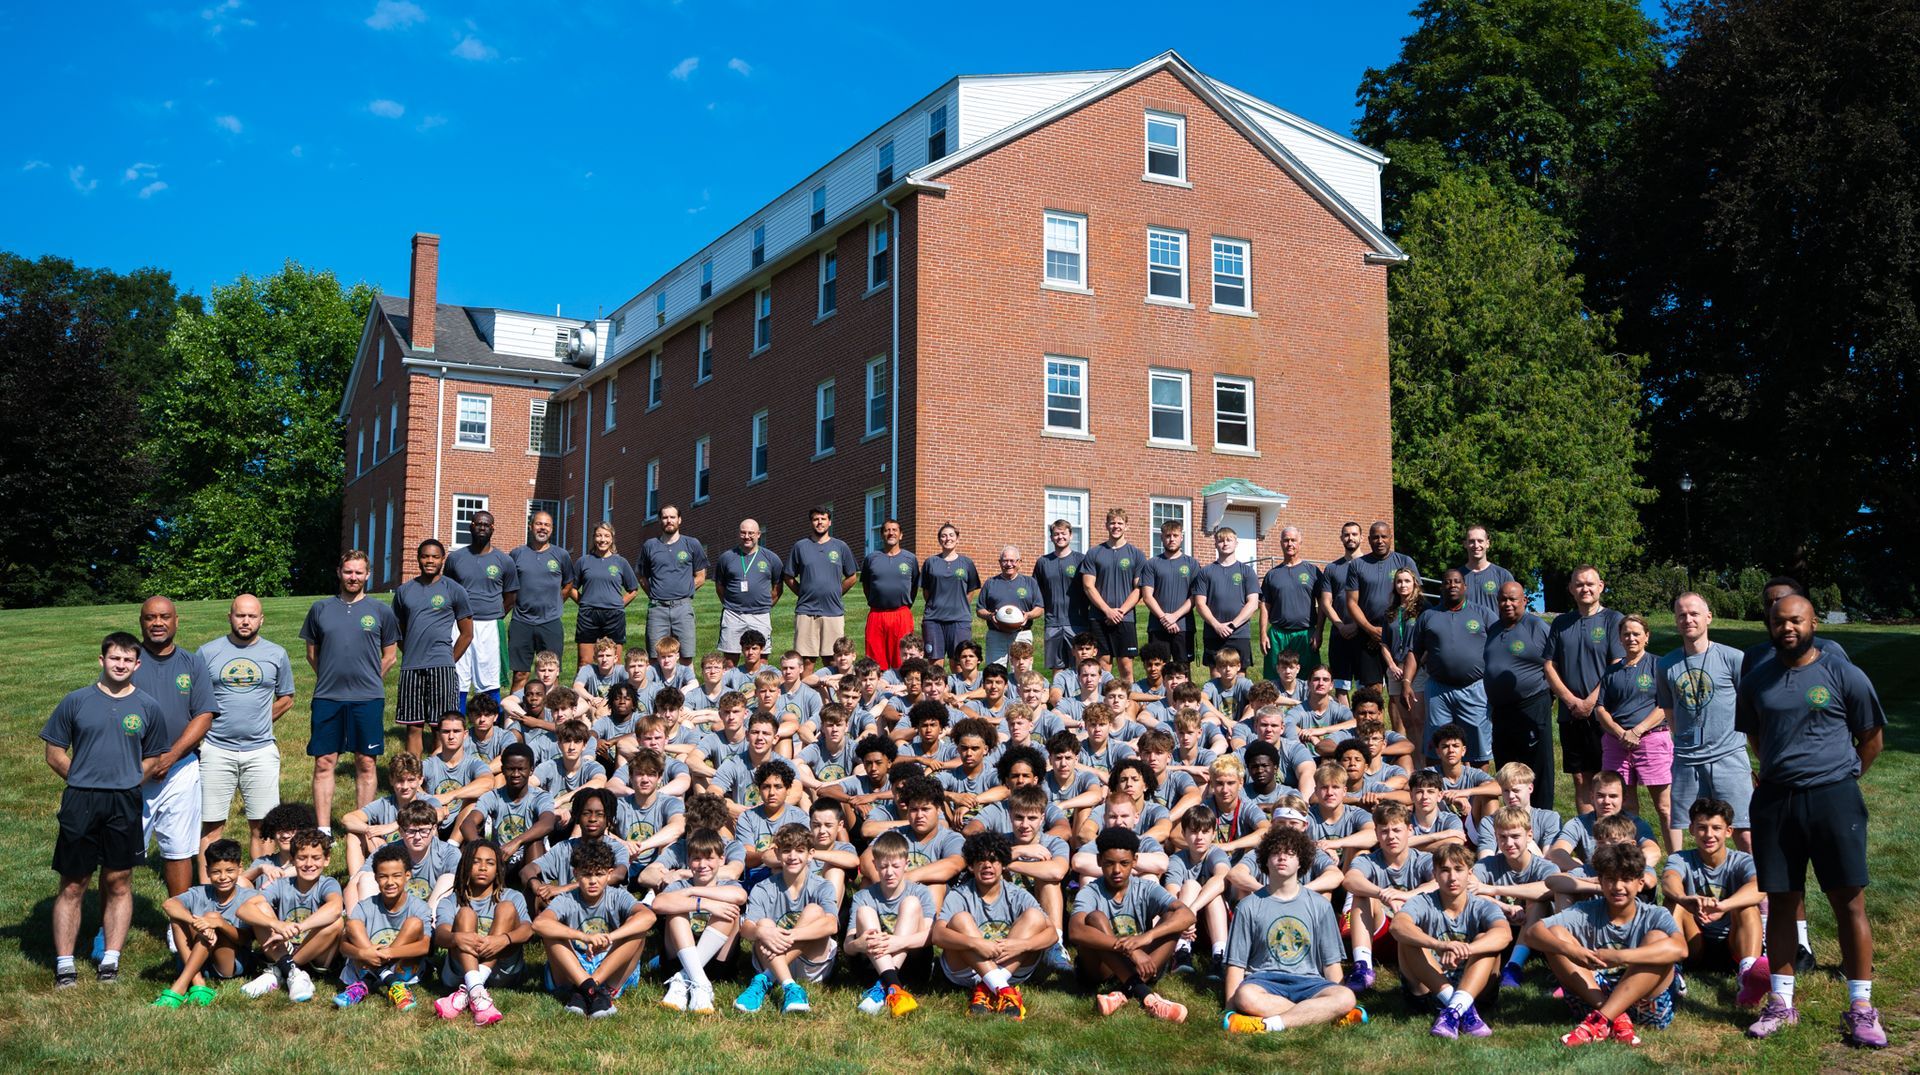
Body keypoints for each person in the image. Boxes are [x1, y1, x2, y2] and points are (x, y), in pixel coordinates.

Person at [1738, 595, 1887, 1047]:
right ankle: (1781, 1004)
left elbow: (1872, 737)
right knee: (1782, 901)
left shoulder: (1842, 673)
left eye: (1796, 620)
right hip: (1775, 801)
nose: (1787, 628)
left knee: (1848, 900)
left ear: (1813, 622)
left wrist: (1842, 777)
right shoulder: (1757, 679)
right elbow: (1757, 737)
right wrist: (1783, 771)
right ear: (1769, 625)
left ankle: (1861, 1007)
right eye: (1778, 621)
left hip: (1833, 799)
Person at [44, 633, 170, 988]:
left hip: (123, 802)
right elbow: (54, 753)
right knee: (73, 883)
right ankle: (65, 963)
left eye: (127, 660)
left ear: (137, 665)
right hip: (81, 800)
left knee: (119, 879)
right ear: (102, 660)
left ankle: (111, 959)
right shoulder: (76, 701)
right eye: (115, 658)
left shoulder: (147, 706)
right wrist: (82, 779)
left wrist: (127, 780)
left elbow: (154, 756)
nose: (120, 665)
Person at [1526, 842, 1687, 1047]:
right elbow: (1533, 933)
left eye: (1626, 879)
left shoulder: (1655, 915)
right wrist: (1572, 951)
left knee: (1658, 940)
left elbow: (1681, 950)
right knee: (1555, 934)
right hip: (1594, 996)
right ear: (1600, 882)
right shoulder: (1585, 911)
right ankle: (1613, 1017)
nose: (1618, 886)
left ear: (1640, 883)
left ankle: (1598, 1021)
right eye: (1611, 879)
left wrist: (1620, 957)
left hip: (1644, 1004)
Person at [1221, 824, 1369, 1034]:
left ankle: (1268, 1024)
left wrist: (1339, 994)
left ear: (1301, 861)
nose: (1282, 857)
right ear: (1265, 860)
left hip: (1310, 983)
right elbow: (1236, 964)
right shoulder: (1248, 906)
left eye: (1290, 853)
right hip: (1264, 983)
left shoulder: (1321, 906)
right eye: (1276, 852)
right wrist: (1231, 1009)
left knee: (1346, 997)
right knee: (1245, 996)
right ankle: (1324, 1015)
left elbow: (1331, 963)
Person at [123, 596, 216, 915]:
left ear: (177, 620)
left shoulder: (192, 663)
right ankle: (107, 928)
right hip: (132, 772)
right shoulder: (128, 662)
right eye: (150, 617)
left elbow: (204, 715)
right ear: (141, 622)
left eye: (164, 617)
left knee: (178, 851)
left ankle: (179, 926)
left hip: (180, 770)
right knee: (120, 855)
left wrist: (170, 757)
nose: (157, 623)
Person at [302, 551, 399, 820]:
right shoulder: (320, 609)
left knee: (366, 762)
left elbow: (390, 656)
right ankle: (324, 829)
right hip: (327, 697)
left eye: (358, 572)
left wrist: (369, 679)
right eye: (348, 571)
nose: (353, 577)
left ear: (367, 575)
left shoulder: (381, 611)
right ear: (339, 573)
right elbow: (311, 654)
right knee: (324, 762)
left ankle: (360, 825)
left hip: (368, 699)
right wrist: (330, 677)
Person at [197, 594, 296, 860]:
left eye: (252, 616)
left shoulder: (276, 653)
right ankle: (207, 884)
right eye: (240, 615)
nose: (245, 621)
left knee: (263, 828)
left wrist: (261, 719)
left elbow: (287, 698)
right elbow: (194, 700)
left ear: (261, 620)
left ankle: (260, 882)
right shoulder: (207, 652)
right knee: (211, 826)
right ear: (230, 617)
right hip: (216, 749)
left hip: (260, 750)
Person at [1070, 826, 1196, 1021]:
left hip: (1142, 964)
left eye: (1124, 863)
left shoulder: (1146, 888)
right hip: (1102, 968)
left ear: (1135, 861)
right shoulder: (1090, 892)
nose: (1117, 870)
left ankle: (1121, 993)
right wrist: (1129, 950)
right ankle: (1145, 995)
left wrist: (1147, 937)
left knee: (1173, 918)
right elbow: (1075, 931)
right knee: (1095, 918)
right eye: (1109, 863)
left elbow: (1187, 915)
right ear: (1099, 861)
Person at [1659, 592, 1750, 853]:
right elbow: (1669, 711)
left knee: (1744, 831)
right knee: (1686, 828)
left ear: (1708, 617)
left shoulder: (1733, 658)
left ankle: (1756, 880)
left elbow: (1749, 706)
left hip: (1728, 756)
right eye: (1682, 615)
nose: (1688, 619)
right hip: (1687, 759)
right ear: (1676, 621)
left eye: (1694, 614)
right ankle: (1682, 876)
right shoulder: (1666, 665)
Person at [1391, 841, 1510, 1038]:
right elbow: (1397, 926)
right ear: (1435, 875)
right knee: (1408, 938)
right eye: (1445, 870)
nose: (1452, 877)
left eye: (1458, 869)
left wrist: (1467, 949)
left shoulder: (1482, 905)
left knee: (1486, 940)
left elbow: (1504, 934)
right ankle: (1462, 1010)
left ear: (1470, 873)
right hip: (1429, 990)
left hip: (1476, 991)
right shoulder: (1423, 901)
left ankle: (1454, 1010)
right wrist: (1440, 945)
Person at [933, 831, 1054, 1019]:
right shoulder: (959, 895)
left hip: (1010, 968)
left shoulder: (1017, 894)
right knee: (960, 919)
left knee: (1035, 916)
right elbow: (937, 935)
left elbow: (1052, 934)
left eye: (993, 860)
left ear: (1004, 864)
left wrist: (1024, 945)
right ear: (971, 866)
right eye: (980, 860)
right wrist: (975, 943)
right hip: (969, 970)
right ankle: (1004, 990)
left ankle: (987, 987)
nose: (987, 865)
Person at [1662, 797, 1766, 1007]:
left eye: (1716, 828)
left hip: (1733, 943)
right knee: (1673, 902)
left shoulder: (1742, 860)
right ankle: (1671, 971)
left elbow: (1759, 887)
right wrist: (1685, 899)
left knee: (1747, 906)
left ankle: (1748, 974)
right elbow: (1668, 879)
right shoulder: (1681, 858)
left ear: (1728, 831)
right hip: (1694, 942)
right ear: (1691, 829)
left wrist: (1724, 906)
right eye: (1702, 828)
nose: (1709, 835)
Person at [533, 839, 653, 1018]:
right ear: (576, 874)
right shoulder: (567, 899)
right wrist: (584, 937)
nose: (593, 881)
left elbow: (649, 916)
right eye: (587, 874)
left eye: (599, 874)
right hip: (573, 968)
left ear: (609, 874)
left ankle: (589, 990)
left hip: (610, 967)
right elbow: (539, 924)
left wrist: (610, 937)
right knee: (551, 931)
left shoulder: (618, 895)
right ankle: (592, 990)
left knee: (637, 930)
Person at [736, 823, 841, 1014]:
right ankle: (790, 987)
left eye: (800, 850)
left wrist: (790, 935)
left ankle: (766, 978)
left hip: (809, 964)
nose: (793, 856)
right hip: (772, 957)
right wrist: (761, 932)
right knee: (764, 925)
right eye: (786, 851)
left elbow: (832, 925)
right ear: (777, 854)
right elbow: (746, 929)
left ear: (811, 854)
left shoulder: (822, 886)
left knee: (814, 911)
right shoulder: (763, 888)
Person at [1544, 565, 1624, 815]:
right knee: (1580, 778)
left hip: (1605, 713)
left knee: (1608, 778)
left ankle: (1613, 833)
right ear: (1571, 589)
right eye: (1579, 584)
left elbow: (1617, 664)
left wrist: (1591, 701)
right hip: (1571, 714)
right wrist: (1570, 701)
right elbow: (1549, 665)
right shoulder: (1561, 623)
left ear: (1601, 587)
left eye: (1590, 584)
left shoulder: (1613, 619)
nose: (1585, 589)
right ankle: (1589, 833)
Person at [235, 827, 343, 1003]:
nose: (309, 864)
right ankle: (292, 972)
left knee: (336, 922)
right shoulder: (282, 884)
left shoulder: (327, 883)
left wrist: (298, 928)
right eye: (302, 858)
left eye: (316, 858)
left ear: (327, 859)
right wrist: (277, 925)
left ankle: (283, 970)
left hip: (316, 955)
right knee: (259, 907)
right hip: (284, 948)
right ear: (292, 860)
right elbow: (243, 910)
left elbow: (336, 908)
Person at [432, 839, 530, 1024]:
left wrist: (504, 939)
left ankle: (470, 990)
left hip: (502, 970)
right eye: (476, 862)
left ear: (498, 869)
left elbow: (528, 930)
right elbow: (440, 935)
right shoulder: (450, 900)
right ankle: (477, 990)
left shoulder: (513, 896)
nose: (483, 867)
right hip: (460, 970)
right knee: (465, 913)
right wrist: (457, 938)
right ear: (465, 865)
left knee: (506, 907)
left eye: (490, 863)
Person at [652, 826, 749, 1013]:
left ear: (722, 860)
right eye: (696, 858)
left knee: (730, 911)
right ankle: (700, 984)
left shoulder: (727, 885)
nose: (702, 864)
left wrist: (693, 891)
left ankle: (682, 980)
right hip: (678, 960)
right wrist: (703, 904)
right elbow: (657, 903)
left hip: (717, 964)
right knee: (675, 912)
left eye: (709, 858)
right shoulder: (680, 885)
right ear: (688, 861)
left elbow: (740, 896)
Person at [392, 539, 474, 758]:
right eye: (425, 556)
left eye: (435, 557)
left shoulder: (454, 590)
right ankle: (414, 773)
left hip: (442, 667)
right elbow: (398, 631)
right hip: (411, 668)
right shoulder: (404, 591)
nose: (430, 561)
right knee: (413, 726)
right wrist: (411, 652)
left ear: (442, 559)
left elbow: (467, 633)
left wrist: (448, 659)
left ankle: (437, 773)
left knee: (441, 726)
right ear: (418, 559)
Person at [1594, 614, 1672, 841]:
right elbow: (1600, 708)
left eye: (1636, 634)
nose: (1631, 638)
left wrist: (1637, 731)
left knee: (1664, 807)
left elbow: (1665, 705)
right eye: (1626, 634)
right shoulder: (1611, 670)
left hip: (1652, 741)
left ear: (1647, 636)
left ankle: (1675, 858)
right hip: (1616, 743)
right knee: (1624, 806)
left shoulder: (1659, 665)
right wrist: (1620, 733)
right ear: (1619, 638)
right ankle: (1627, 854)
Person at [1403, 569, 1491, 767]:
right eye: (1448, 582)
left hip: (1474, 689)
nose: (1452, 585)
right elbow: (1414, 652)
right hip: (1438, 690)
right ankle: (1434, 785)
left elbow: (1498, 644)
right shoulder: (1428, 616)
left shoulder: (1483, 613)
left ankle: (1479, 787)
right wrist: (1407, 682)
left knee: (1477, 748)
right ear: (1441, 587)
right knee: (1436, 744)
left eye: (1457, 581)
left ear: (1465, 586)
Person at [151, 838, 252, 1009]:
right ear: (207, 871)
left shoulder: (248, 897)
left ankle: (180, 987)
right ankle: (198, 983)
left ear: (240, 868)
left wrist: (220, 925)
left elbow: (245, 939)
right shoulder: (199, 892)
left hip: (227, 964)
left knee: (212, 919)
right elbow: (169, 904)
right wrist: (197, 923)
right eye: (216, 872)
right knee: (178, 918)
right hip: (198, 960)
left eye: (229, 871)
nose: (223, 877)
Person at [334, 843, 433, 1011]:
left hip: (401, 966)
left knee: (414, 923)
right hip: (367, 962)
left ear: (407, 875)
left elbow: (425, 946)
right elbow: (343, 946)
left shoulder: (419, 907)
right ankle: (391, 981)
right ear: (375, 878)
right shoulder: (365, 906)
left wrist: (390, 953)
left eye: (396, 876)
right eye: (383, 876)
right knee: (352, 924)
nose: (390, 882)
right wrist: (363, 953)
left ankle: (366, 983)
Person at [844, 831, 932, 1018]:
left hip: (912, 964)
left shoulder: (921, 892)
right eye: (883, 866)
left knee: (911, 903)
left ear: (906, 864)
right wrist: (859, 944)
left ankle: (885, 984)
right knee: (864, 911)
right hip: (872, 966)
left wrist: (898, 942)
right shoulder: (863, 896)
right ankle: (893, 986)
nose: (889, 872)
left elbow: (929, 937)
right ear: (875, 865)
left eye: (895, 866)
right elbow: (847, 946)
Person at [1485, 581, 1555, 809]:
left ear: (1524, 600)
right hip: (1501, 711)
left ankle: (1541, 815)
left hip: (1531, 705)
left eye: (1512, 599)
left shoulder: (1537, 627)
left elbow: (1556, 663)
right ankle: (1513, 817)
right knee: (1506, 768)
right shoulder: (1494, 629)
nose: (1507, 604)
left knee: (1536, 767)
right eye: (1503, 599)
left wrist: (1551, 695)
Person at [1474, 804, 1561, 988]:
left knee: (1537, 900)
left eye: (1515, 836)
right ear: (1496, 837)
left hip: (1537, 931)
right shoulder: (1487, 865)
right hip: (1499, 928)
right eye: (1502, 837)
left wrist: (1494, 890)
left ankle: (1513, 966)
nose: (1509, 843)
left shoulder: (1545, 867)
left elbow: (1548, 888)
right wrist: (1505, 906)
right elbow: (1468, 889)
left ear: (1529, 835)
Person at [445, 510, 518, 708]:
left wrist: (494, 614)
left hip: (490, 626)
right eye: (478, 524)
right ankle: (457, 720)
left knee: (489, 680)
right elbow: (447, 590)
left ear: (492, 528)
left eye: (486, 525)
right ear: (471, 526)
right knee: (458, 677)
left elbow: (510, 597)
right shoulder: (455, 558)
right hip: (460, 625)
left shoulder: (504, 561)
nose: (482, 528)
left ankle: (490, 722)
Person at [1344, 521, 1421, 692]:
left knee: (1401, 688)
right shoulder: (1357, 565)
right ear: (1369, 540)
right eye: (1375, 537)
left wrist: (1389, 630)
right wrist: (1370, 630)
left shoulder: (1405, 561)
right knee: (1373, 689)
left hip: (1400, 632)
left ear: (1391, 538)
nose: (1380, 541)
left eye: (1384, 537)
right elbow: (1351, 602)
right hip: (1368, 635)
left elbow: (1417, 596)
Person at [507, 509, 575, 696]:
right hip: (521, 622)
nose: (542, 528)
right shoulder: (517, 554)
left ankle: (552, 711)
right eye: (539, 524)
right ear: (531, 526)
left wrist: (557, 601)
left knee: (551, 674)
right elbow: (508, 586)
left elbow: (569, 583)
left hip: (550, 622)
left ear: (551, 529)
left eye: (547, 525)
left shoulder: (561, 555)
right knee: (520, 674)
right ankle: (515, 712)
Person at [785, 507, 859, 663]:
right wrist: (803, 593)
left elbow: (852, 577)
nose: (820, 522)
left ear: (829, 522)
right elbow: (788, 576)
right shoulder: (800, 546)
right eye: (816, 519)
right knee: (806, 660)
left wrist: (837, 592)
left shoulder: (840, 547)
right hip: (806, 611)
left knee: (833, 659)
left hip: (833, 611)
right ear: (811, 522)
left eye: (823, 519)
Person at [1081, 508, 1145, 684]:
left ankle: (1127, 700)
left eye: (1120, 523)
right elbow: (1088, 586)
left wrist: (1120, 611)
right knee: (1103, 664)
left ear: (1126, 526)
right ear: (1106, 525)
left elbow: (1139, 589)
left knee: (1126, 666)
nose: (1116, 526)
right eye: (1112, 523)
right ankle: (1103, 699)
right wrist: (1107, 611)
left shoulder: (1136, 554)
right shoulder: (1094, 553)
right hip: (1099, 617)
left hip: (1125, 618)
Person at [636, 504, 708, 654]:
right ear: (660, 520)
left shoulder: (692, 544)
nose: (669, 520)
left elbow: (701, 576)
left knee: (686, 656)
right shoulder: (650, 545)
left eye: (672, 517)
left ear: (679, 520)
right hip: (657, 609)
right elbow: (641, 576)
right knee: (655, 656)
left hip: (683, 608)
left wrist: (685, 589)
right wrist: (654, 593)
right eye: (665, 517)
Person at [571, 521, 641, 673]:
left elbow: (633, 590)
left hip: (614, 616)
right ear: (593, 538)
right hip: (588, 616)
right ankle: (584, 689)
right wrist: (584, 603)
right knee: (584, 662)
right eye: (599, 536)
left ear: (612, 538)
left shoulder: (621, 562)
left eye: (606, 536)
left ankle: (614, 689)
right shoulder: (583, 561)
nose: (602, 540)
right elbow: (571, 588)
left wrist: (619, 604)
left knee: (615, 662)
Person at [714, 518, 784, 660]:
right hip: (733, 614)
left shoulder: (771, 558)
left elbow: (778, 587)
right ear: (738, 534)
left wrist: (765, 605)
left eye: (751, 533)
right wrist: (731, 603)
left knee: (761, 659)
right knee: (730, 661)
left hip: (760, 615)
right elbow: (720, 586)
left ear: (759, 534)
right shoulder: (726, 557)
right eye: (743, 533)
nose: (747, 536)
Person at [1259, 526, 1323, 681]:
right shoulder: (1272, 574)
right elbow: (1265, 606)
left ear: (1300, 542)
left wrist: (1319, 631)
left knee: (1309, 679)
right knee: (1275, 679)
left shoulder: (1312, 571)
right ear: (1281, 543)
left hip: (1305, 634)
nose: (1290, 544)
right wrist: (1263, 634)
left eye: (1293, 540)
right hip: (1278, 635)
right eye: (1286, 540)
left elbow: (1323, 604)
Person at [1193, 527, 1260, 672]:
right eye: (1221, 540)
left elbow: (1253, 603)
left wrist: (1232, 625)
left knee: (1240, 677)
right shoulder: (1205, 572)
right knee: (1216, 675)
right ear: (1215, 544)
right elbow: (1199, 604)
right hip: (1213, 633)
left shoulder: (1247, 571)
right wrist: (1217, 626)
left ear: (1236, 543)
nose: (1225, 543)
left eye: (1229, 540)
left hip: (1239, 633)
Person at [1139, 519, 1198, 668]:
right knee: (1157, 669)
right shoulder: (1152, 564)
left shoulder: (1192, 564)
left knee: (1183, 670)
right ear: (1161, 537)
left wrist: (1175, 616)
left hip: (1183, 626)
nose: (1171, 539)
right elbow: (1147, 596)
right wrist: (1164, 618)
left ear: (1181, 537)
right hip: (1157, 626)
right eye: (1168, 536)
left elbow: (1195, 597)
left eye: (1175, 535)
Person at [920, 522, 982, 663]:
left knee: (959, 663)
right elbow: (926, 591)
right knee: (935, 664)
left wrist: (959, 606)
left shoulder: (967, 563)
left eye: (951, 535)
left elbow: (971, 591)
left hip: (959, 620)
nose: (948, 538)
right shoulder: (930, 562)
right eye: (944, 536)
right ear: (939, 540)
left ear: (957, 539)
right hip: (934, 619)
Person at [1032, 519, 1089, 673]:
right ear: (1051, 537)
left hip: (1078, 623)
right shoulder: (1043, 562)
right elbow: (1036, 592)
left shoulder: (1081, 560)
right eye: (1056, 534)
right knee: (1057, 668)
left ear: (1071, 535)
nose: (1060, 537)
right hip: (1053, 622)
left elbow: (1090, 588)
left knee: (1081, 666)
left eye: (1063, 533)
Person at [860, 518, 918, 669]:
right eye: (887, 530)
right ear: (882, 535)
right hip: (877, 615)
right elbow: (866, 586)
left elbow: (914, 587)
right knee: (875, 661)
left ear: (901, 535)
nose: (891, 533)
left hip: (901, 615)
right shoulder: (871, 558)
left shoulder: (910, 559)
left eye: (894, 530)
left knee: (903, 658)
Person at [1317, 521, 1365, 700]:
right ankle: (1345, 718)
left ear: (1361, 537)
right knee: (1340, 687)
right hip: (1339, 634)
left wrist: (1358, 625)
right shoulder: (1332, 568)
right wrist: (1340, 626)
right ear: (1341, 538)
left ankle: (1364, 718)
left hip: (1364, 634)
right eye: (1346, 534)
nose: (1350, 538)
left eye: (1354, 534)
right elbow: (1325, 602)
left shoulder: (1369, 565)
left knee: (1365, 687)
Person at [976, 545, 1042, 667]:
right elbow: (980, 609)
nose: (1009, 564)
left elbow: (1039, 608)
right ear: (1000, 562)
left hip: (1021, 634)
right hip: (996, 635)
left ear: (1019, 562)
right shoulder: (990, 583)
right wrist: (990, 616)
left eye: (1012, 560)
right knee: (995, 671)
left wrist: (1028, 615)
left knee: (1022, 672)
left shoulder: (1030, 582)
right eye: (1005, 561)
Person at [1459, 526, 1517, 620]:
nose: (1476, 545)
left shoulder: (1502, 575)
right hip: (1464, 629)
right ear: (1465, 544)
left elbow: (1515, 610)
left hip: (1494, 629)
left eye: (1480, 541)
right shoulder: (1456, 578)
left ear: (1487, 543)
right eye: (1472, 541)